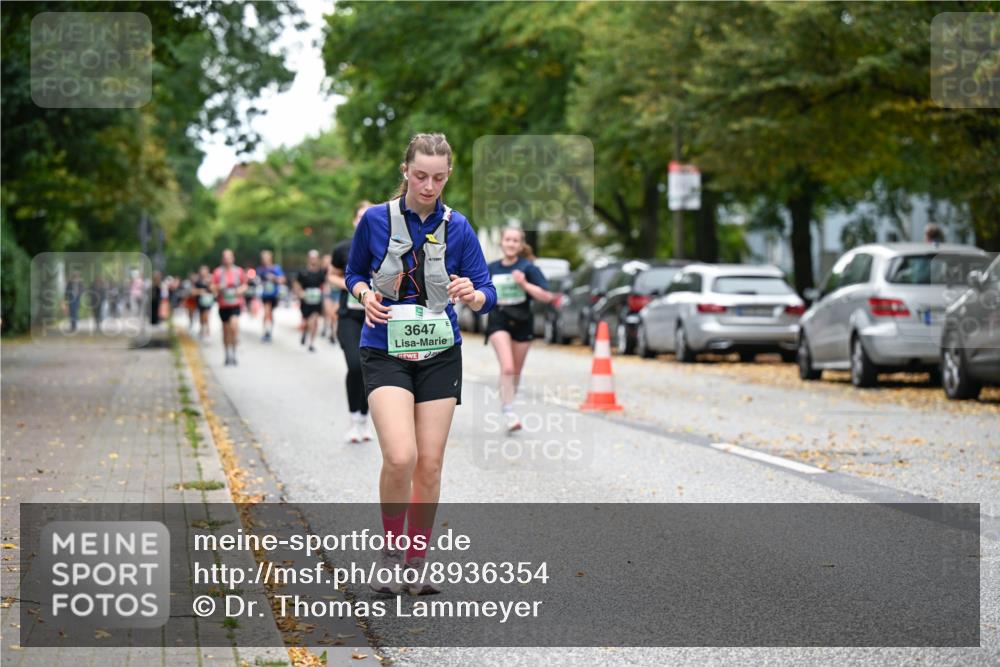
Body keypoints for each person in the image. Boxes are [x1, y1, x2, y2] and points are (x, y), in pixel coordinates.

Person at [345, 133, 495, 595]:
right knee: (401, 455)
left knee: (428, 464)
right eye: (420, 176)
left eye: (438, 177)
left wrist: (473, 294)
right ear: (405, 171)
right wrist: (366, 295)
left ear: (448, 175)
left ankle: (416, 561)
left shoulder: (459, 227)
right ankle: (390, 554)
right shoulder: (374, 220)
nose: (429, 186)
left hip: (439, 351)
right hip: (385, 347)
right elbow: (353, 273)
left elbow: (487, 293)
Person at [485, 227, 553, 432]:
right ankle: (509, 412)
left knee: (515, 371)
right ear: (502, 242)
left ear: (521, 245)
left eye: (515, 241)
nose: (511, 244)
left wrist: (524, 284)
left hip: (523, 321)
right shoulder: (492, 268)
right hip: (499, 321)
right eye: (508, 239)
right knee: (507, 368)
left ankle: (509, 404)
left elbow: (546, 296)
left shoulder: (528, 267)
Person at [330, 200, 375, 443]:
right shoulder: (343, 248)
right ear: (354, 220)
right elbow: (332, 274)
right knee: (355, 365)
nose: (364, 219)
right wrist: (353, 286)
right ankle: (352, 417)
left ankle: (363, 421)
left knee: (370, 370)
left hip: (377, 316)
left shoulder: (386, 246)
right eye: (360, 215)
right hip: (350, 316)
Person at [212, 249, 247, 366]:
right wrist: (219, 287)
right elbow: (212, 287)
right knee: (226, 331)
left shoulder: (239, 271)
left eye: (229, 257)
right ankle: (227, 354)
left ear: (233, 258)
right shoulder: (217, 272)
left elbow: (245, 285)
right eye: (225, 257)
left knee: (234, 327)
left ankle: (234, 353)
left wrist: (239, 290)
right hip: (223, 305)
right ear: (223, 259)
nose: (227, 259)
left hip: (236, 304)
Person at [294, 250, 327, 353]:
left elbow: (325, 284)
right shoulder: (303, 271)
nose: (313, 260)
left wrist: (325, 294)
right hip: (306, 300)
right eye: (312, 258)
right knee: (307, 321)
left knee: (315, 320)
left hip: (317, 300)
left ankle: (311, 343)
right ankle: (305, 331)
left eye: (315, 258)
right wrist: (300, 293)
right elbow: (296, 284)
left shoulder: (321, 272)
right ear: (308, 259)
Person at [256, 250, 286, 342]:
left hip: (274, 294)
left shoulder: (276, 268)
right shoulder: (260, 269)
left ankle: (269, 331)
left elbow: (282, 280)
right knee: (266, 311)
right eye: (263, 258)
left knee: (270, 313)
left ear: (270, 258)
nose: (265, 260)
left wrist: (274, 278)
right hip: (265, 294)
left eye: (266, 258)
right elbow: (257, 281)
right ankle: (265, 331)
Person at [193, 265, 214, 339]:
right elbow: (193, 291)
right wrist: (200, 291)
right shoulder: (197, 281)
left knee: (206, 315)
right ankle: (202, 329)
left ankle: (208, 331)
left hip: (208, 301)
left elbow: (214, 290)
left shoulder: (211, 280)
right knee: (201, 316)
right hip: (200, 301)